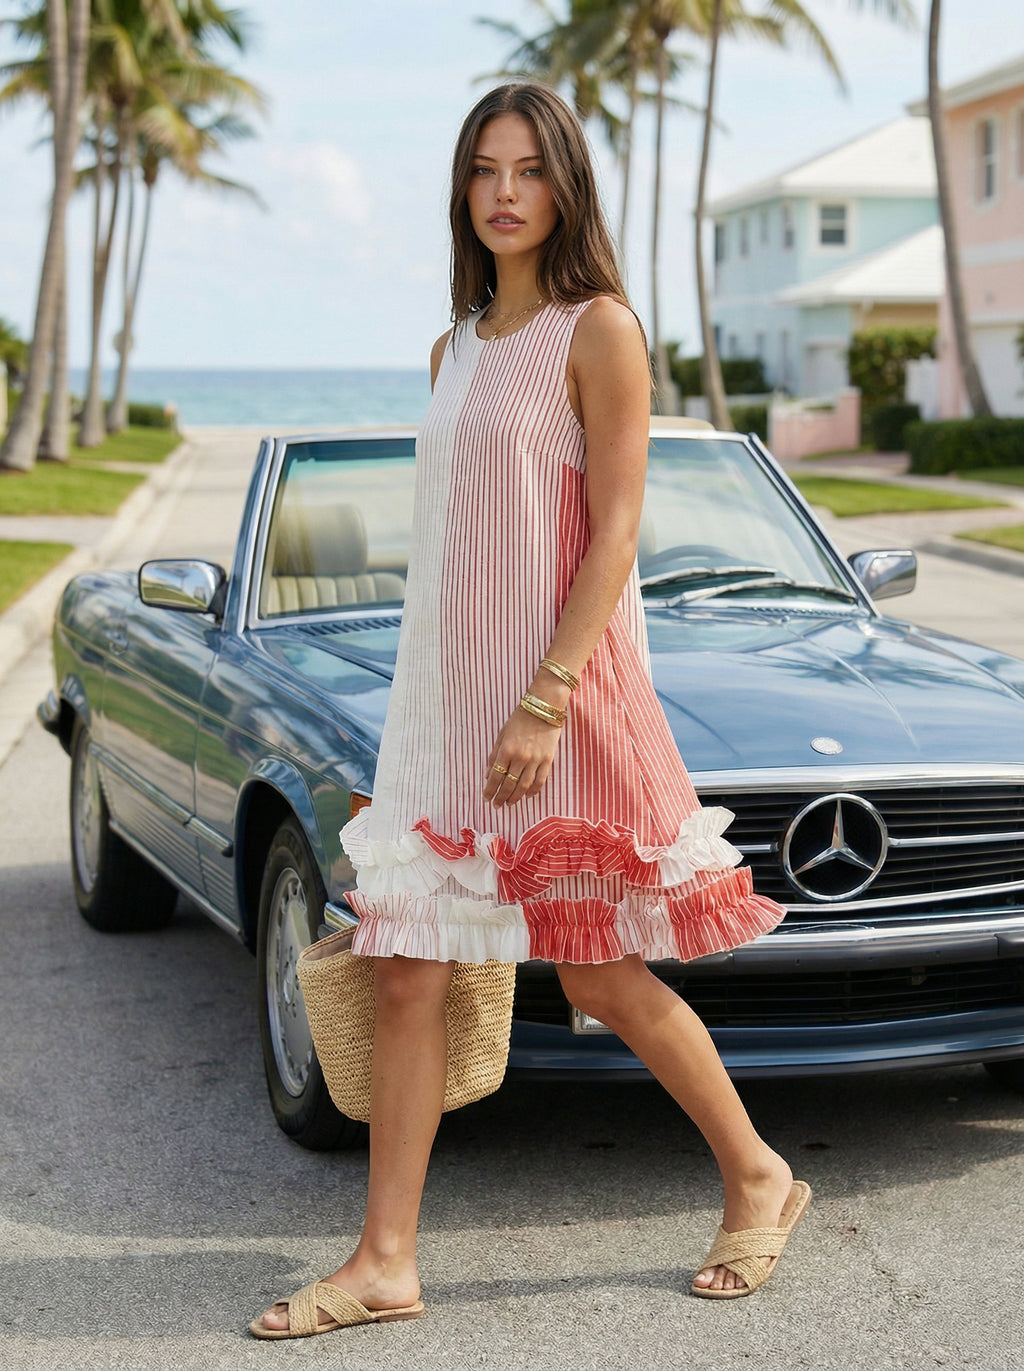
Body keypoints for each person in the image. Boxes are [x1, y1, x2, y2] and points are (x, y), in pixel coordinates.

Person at [249, 82, 809, 1341]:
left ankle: (758, 1172)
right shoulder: (452, 350)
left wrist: (543, 703)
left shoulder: (598, 329)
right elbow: (448, 560)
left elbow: (614, 533)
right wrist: (415, 753)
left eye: (529, 170)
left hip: (556, 698)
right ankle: (385, 1259)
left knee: (598, 973)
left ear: (564, 186)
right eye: (484, 170)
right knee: (403, 972)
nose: (504, 191)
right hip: (448, 710)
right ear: (464, 190)